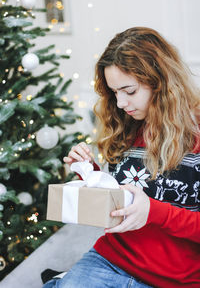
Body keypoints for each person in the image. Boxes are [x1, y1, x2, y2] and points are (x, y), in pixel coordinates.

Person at [42, 27, 200, 288]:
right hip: (112, 258)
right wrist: (90, 173)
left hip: (175, 278)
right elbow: (119, 198)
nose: (121, 104)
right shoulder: (125, 125)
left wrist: (155, 212)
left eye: (129, 91)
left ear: (160, 81)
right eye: (115, 93)